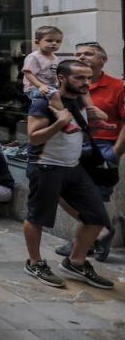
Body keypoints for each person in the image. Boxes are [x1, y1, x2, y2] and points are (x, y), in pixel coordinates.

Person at [22, 60, 114, 290]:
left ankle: (76, 262)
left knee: (97, 216)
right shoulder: (43, 103)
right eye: (79, 78)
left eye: (88, 78)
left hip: (73, 167)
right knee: (37, 217)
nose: (86, 83)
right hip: (46, 166)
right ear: (61, 78)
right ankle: (34, 262)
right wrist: (58, 124)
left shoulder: (81, 101)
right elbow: (34, 138)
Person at [54, 42, 124, 261]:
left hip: (104, 146)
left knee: (99, 195)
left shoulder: (117, 87)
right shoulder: (68, 87)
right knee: (61, 190)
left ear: (102, 60)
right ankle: (99, 231)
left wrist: (116, 152)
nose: (82, 57)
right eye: (78, 54)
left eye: (88, 54)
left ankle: (86, 242)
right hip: (74, 146)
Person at [22, 26, 105, 121]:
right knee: (54, 94)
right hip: (35, 88)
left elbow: (57, 74)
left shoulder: (55, 58)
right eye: (49, 40)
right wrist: (40, 86)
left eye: (58, 41)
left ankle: (92, 111)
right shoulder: (34, 57)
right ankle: (64, 118)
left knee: (82, 91)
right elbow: (27, 73)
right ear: (37, 42)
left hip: (51, 86)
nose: (54, 43)